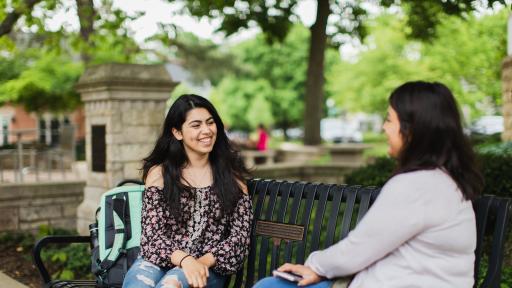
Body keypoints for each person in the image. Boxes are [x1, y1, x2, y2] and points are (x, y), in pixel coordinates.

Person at [253, 81, 483, 288]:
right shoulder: (445, 180)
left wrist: (314, 265)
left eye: (389, 119)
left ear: (412, 130)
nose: (384, 127)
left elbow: (357, 251)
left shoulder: (417, 185)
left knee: (269, 287)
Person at [123, 94, 253, 288]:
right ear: (177, 132)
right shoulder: (160, 174)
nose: (206, 130)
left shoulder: (231, 176)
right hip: (159, 260)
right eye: (196, 125)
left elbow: (239, 239)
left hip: (208, 267)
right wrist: (185, 260)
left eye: (210, 123)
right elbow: (152, 236)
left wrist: (200, 263)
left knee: (171, 285)